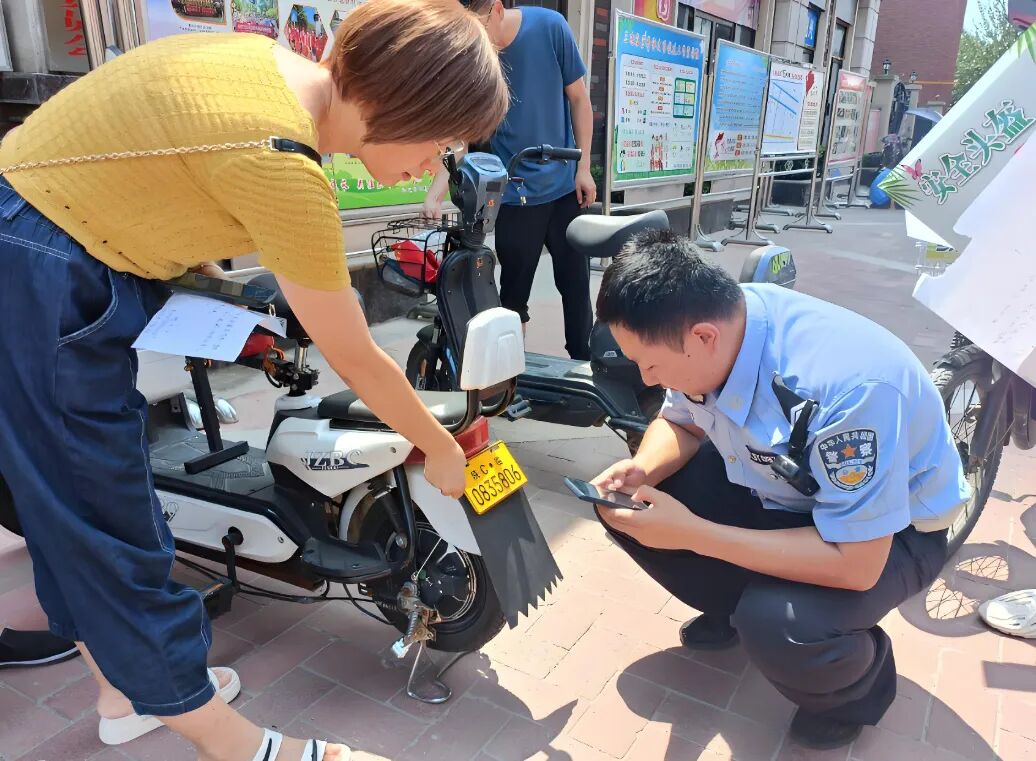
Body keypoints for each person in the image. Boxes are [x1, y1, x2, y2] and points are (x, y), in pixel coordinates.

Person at [0, 0, 508, 759]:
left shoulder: (268, 66)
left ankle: (123, 696)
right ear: (403, 104)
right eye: (439, 142)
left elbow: (162, 159)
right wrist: (437, 444)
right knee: (108, 521)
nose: (432, 166)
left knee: (67, 507)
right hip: (42, 262)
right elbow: (359, 356)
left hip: (39, 236)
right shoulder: (283, 159)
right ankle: (234, 744)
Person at [589, 231, 970, 750]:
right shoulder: (720, 325)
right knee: (629, 507)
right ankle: (738, 608)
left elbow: (856, 564)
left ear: (703, 337)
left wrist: (694, 533)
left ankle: (857, 685)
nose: (648, 378)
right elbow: (682, 420)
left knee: (780, 624)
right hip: (780, 490)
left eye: (650, 365)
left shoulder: (849, 391)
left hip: (893, 534)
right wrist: (641, 471)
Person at [423, 0, 596, 360]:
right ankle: (509, 371)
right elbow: (461, 136)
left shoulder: (551, 28)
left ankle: (584, 366)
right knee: (513, 294)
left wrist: (583, 168)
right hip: (515, 195)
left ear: (497, 10)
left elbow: (580, 99)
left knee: (576, 286)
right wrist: (435, 193)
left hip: (564, 186)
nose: (476, 41)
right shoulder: (475, 57)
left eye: (479, 28)